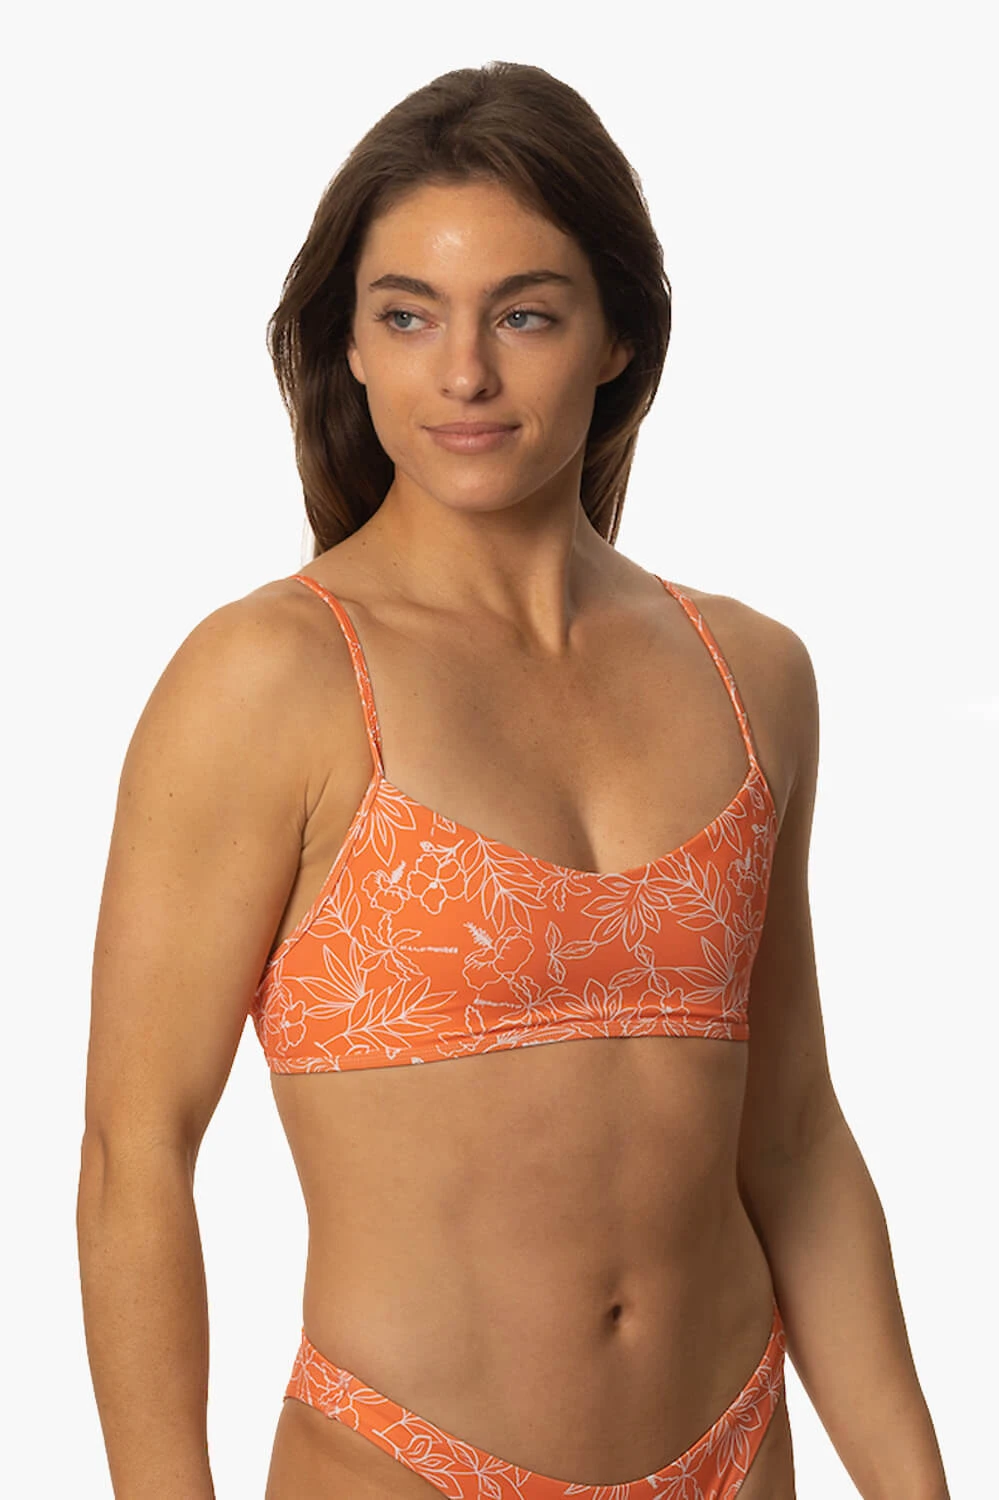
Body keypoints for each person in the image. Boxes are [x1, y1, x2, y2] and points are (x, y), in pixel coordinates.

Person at [76, 61, 950, 1500]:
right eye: (406, 314)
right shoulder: (272, 679)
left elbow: (793, 1141)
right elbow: (135, 1155)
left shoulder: (752, 674)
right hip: (401, 1464)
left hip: (733, 1453)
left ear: (617, 337)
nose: (464, 374)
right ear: (349, 347)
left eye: (525, 314)